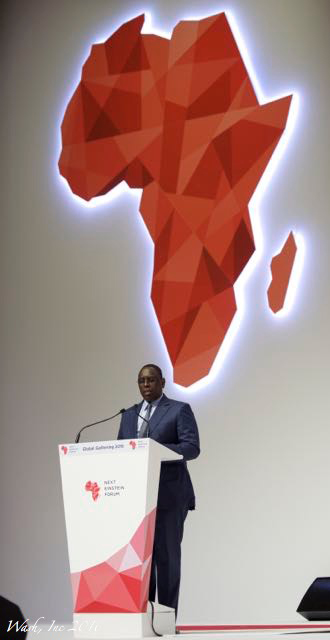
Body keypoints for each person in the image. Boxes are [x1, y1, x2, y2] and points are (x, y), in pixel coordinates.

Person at [117, 364, 200, 615]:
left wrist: (156, 449)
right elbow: (122, 450)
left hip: (170, 496)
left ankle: (165, 618)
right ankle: (144, 617)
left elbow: (192, 447)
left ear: (162, 382)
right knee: (141, 561)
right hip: (138, 497)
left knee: (166, 558)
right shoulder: (129, 414)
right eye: (141, 381)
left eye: (151, 380)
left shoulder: (178, 410)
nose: (146, 385)